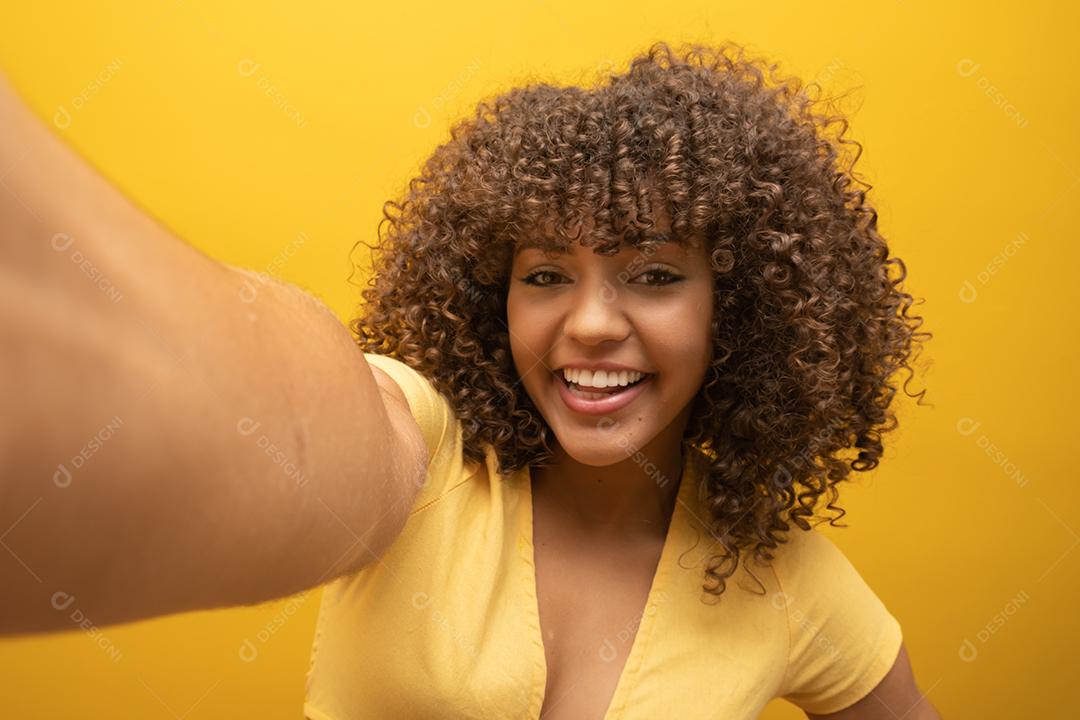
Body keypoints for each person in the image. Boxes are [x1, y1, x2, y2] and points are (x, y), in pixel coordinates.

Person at [0, 39, 939, 719]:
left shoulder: (786, 580)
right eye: (544, 276)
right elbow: (291, 418)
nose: (592, 322)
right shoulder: (425, 452)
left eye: (654, 274)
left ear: (738, 307)